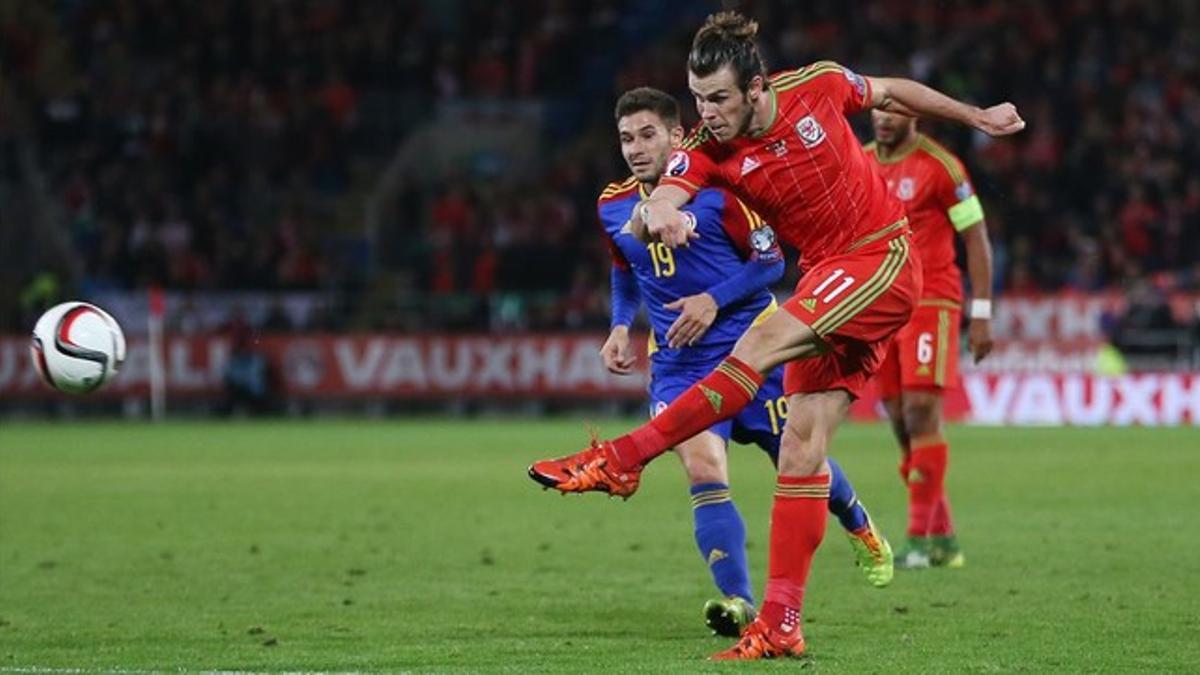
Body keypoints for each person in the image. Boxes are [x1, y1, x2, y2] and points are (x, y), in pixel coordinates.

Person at [529, 11, 1023, 660]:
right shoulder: (705, 146)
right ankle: (783, 621)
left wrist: (976, 115)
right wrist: (658, 219)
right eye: (698, 98)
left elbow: (891, 90)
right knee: (801, 447)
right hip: (828, 276)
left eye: (720, 98)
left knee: (755, 346)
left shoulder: (814, 85)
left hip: (883, 256)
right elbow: (660, 198)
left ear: (756, 87)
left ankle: (623, 459)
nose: (708, 112)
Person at [580, 86, 893, 637]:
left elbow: (771, 262)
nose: (634, 148)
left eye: (648, 134)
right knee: (703, 471)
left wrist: (713, 300)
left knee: (798, 458)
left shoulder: (717, 188)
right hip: (678, 364)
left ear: (677, 137)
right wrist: (619, 325)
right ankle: (740, 603)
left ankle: (859, 522)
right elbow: (624, 269)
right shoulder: (612, 204)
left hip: (754, 349)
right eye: (626, 137)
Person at [865, 111, 996, 570]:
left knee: (922, 411)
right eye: (879, 109)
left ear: (913, 114)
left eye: (895, 110)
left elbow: (976, 238)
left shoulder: (942, 167)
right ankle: (943, 537)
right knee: (900, 420)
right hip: (881, 306)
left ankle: (918, 540)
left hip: (933, 301)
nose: (883, 118)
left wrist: (980, 313)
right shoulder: (860, 164)